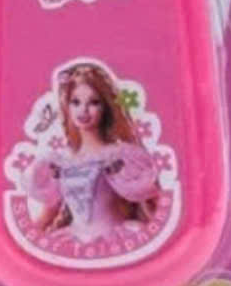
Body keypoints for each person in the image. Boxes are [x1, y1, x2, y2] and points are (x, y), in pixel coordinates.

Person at [24, 62, 158, 243]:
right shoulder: (59, 163)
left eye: (94, 102)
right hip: (73, 240)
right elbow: (47, 215)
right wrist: (26, 242)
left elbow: (152, 204)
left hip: (114, 239)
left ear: (106, 107)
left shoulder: (119, 156)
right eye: (76, 102)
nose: (83, 110)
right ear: (67, 106)